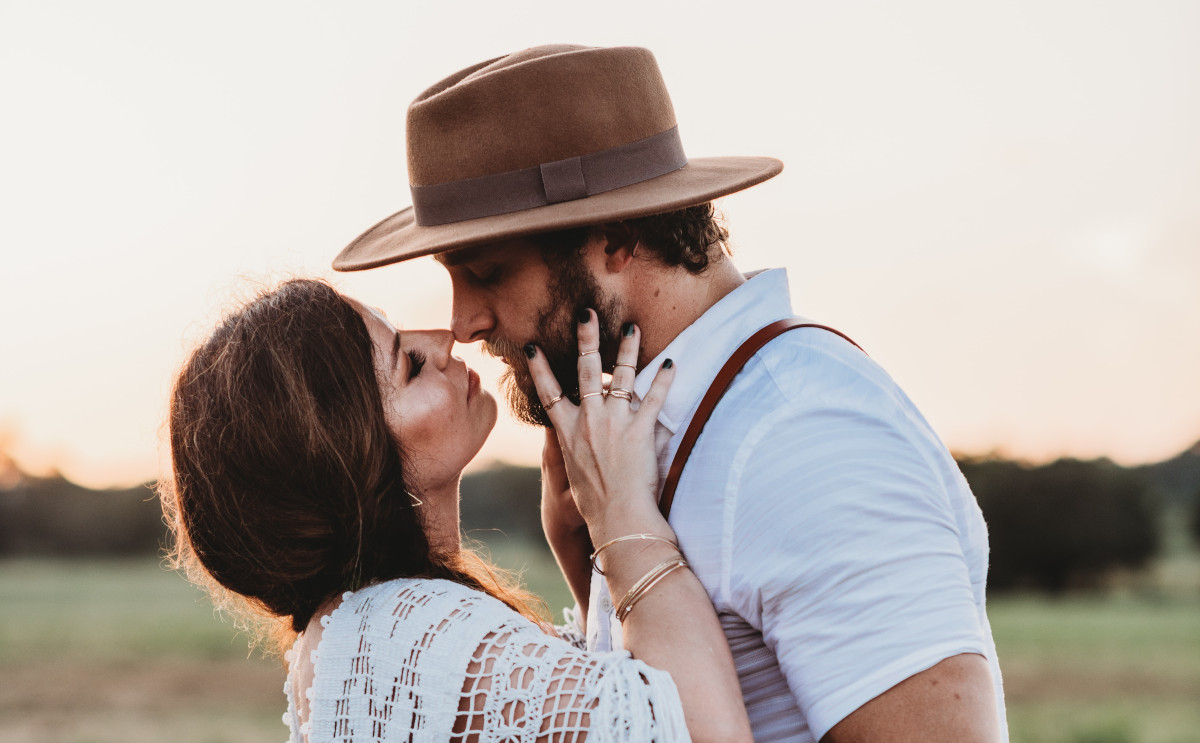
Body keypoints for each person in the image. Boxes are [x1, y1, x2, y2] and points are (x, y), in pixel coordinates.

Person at [332, 44, 1008, 742]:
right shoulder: (656, 436)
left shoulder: (800, 435)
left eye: (487, 272)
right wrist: (592, 555)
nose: (464, 322)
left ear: (617, 239)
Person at [160, 278, 754, 742]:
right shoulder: (399, 634)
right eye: (410, 365)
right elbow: (701, 732)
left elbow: (605, 709)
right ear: (354, 458)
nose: (444, 341)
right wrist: (623, 513)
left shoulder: (364, 630)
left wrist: (576, 545)